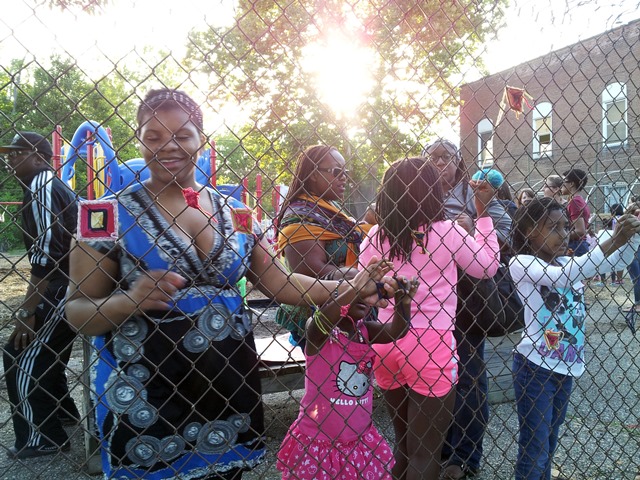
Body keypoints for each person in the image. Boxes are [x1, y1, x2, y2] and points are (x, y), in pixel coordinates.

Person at [64, 88, 395, 480]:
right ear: (139, 140)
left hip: (226, 386)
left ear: (199, 140)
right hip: (146, 396)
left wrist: (351, 288)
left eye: (181, 135)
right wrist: (128, 301)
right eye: (152, 136)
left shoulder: (237, 214)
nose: (167, 146)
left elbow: (281, 281)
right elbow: (77, 311)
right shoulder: (106, 215)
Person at [359, 157, 501, 479]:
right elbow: (487, 267)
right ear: (432, 193)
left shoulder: (375, 236)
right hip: (431, 347)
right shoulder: (447, 232)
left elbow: (365, 284)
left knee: (403, 444)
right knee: (426, 452)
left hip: (386, 339)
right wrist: (482, 212)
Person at [509, 197, 640, 479]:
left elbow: (613, 262)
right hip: (535, 368)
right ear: (530, 230)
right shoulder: (521, 263)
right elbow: (565, 276)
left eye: (566, 226)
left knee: (549, 443)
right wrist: (615, 239)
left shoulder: (568, 260)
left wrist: (632, 235)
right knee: (535, 447)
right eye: (553, 227)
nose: (564, 233)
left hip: (566, 367)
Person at [422, 139, 511, 480]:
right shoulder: (420, 192)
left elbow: (506, 230)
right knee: (435, 379)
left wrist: (473, 227)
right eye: (434, 158)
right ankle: (440, 448)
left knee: (469, 375)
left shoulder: (475, 189)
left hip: (468, 299)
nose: (440, 163)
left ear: (459, 161)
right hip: (430, 300)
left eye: (447, 157)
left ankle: (465, 457)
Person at [276, 263, 417, 479]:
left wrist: (403, 301)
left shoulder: (365, 331)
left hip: (358, 439)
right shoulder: (318, 332)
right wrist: (356, 288)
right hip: (318, 441)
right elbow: (321, 322)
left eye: (369, 287)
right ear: (327, 294)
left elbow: (395, 331)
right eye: (350, 285)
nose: (363, 292)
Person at [1, 131, 80, 459]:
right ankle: (62, 410)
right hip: (69, 284)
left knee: (19, 355)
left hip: (61, 287)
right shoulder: (46, 185)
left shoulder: (42, 186)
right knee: (46, 353)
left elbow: (48, 255)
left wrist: (27, 310)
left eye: (16, 153)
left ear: (38, 156)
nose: (9, 159)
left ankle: (41, 435)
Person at [275, 145, 363, 348]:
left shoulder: (329, 209)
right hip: (317, 318)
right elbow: (308, 270)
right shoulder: (300, 214)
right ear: (313, 174)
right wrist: (359, 281)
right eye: (336, 172)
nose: (344, 178)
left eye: (345, 173)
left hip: (347, 306)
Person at [562, 168, 591, 256]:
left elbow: (580, 231)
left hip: (576, 246)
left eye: (563, 181)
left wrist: (561, 236)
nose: (561, 185)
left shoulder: (574, 202)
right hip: (579, 245)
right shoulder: (579, 200)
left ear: (571, 184)